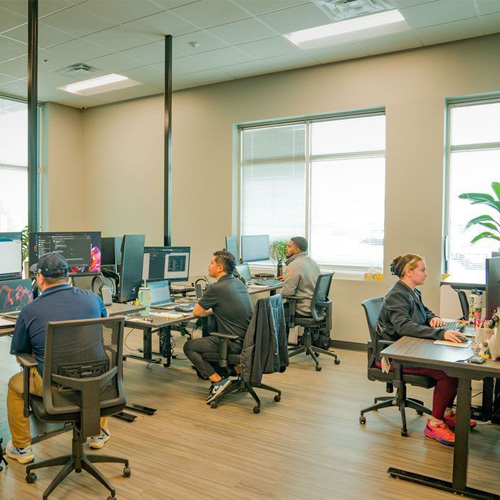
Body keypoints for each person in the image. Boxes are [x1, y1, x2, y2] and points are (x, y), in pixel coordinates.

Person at [6, 252, 110, 464]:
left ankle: (21, 447)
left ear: (40, 279)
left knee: (15, 385)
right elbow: (101, 324)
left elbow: (21, 355)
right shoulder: (93, 299)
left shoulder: (29, 310)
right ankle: (99, 432)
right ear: (68, 277)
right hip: (95, 382)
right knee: (92, 364)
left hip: (54, 386)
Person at [376, 253, 476, 446]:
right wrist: (440, 334)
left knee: (453, 366)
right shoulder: (397, 294)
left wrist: (432, 318)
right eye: (422, 270)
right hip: (394, 355)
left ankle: (445, 414)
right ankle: (435, 423)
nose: (426, 274)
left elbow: (423, 310)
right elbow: (403, 327)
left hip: (408, 348)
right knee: (448, 372)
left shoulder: (411, 291)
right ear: (408, 271)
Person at [184, 250, 253, 403]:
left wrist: (208, 310)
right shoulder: (237, 282)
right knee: (213, 335)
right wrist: (213, 309)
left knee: (190, 347)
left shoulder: (216, 288)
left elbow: (197, 312)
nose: (209, 266)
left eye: (212, 263)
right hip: (246, 340)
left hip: (233, 343)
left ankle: (218, 381)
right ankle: (239, 373)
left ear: (220, 268)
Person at [278, 237, 320, 317]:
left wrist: (275, 296)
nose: (286, 248)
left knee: (270, 311)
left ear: (297, 250)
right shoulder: (312, 262)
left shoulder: (295, 265)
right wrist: (288, 278)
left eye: (289, 246)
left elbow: (287, 292)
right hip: (315, 308)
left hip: (302, 309)